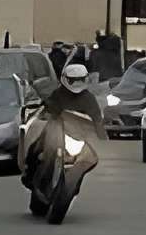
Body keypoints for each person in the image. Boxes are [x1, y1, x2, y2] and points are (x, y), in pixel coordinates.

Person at [24, 61, 102, 195]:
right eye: (73, 80)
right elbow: (46, 108)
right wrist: (45, 113)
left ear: (86, 79)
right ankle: (29, 173)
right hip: (57, 130)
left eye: (80, 79)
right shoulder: (58, 94)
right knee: (36, 146)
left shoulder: (89, 98)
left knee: (90, 158)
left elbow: (97, 118)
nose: (77, 83)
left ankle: (74, 183)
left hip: (79, 135)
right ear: (65, 79)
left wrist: (100, 132)